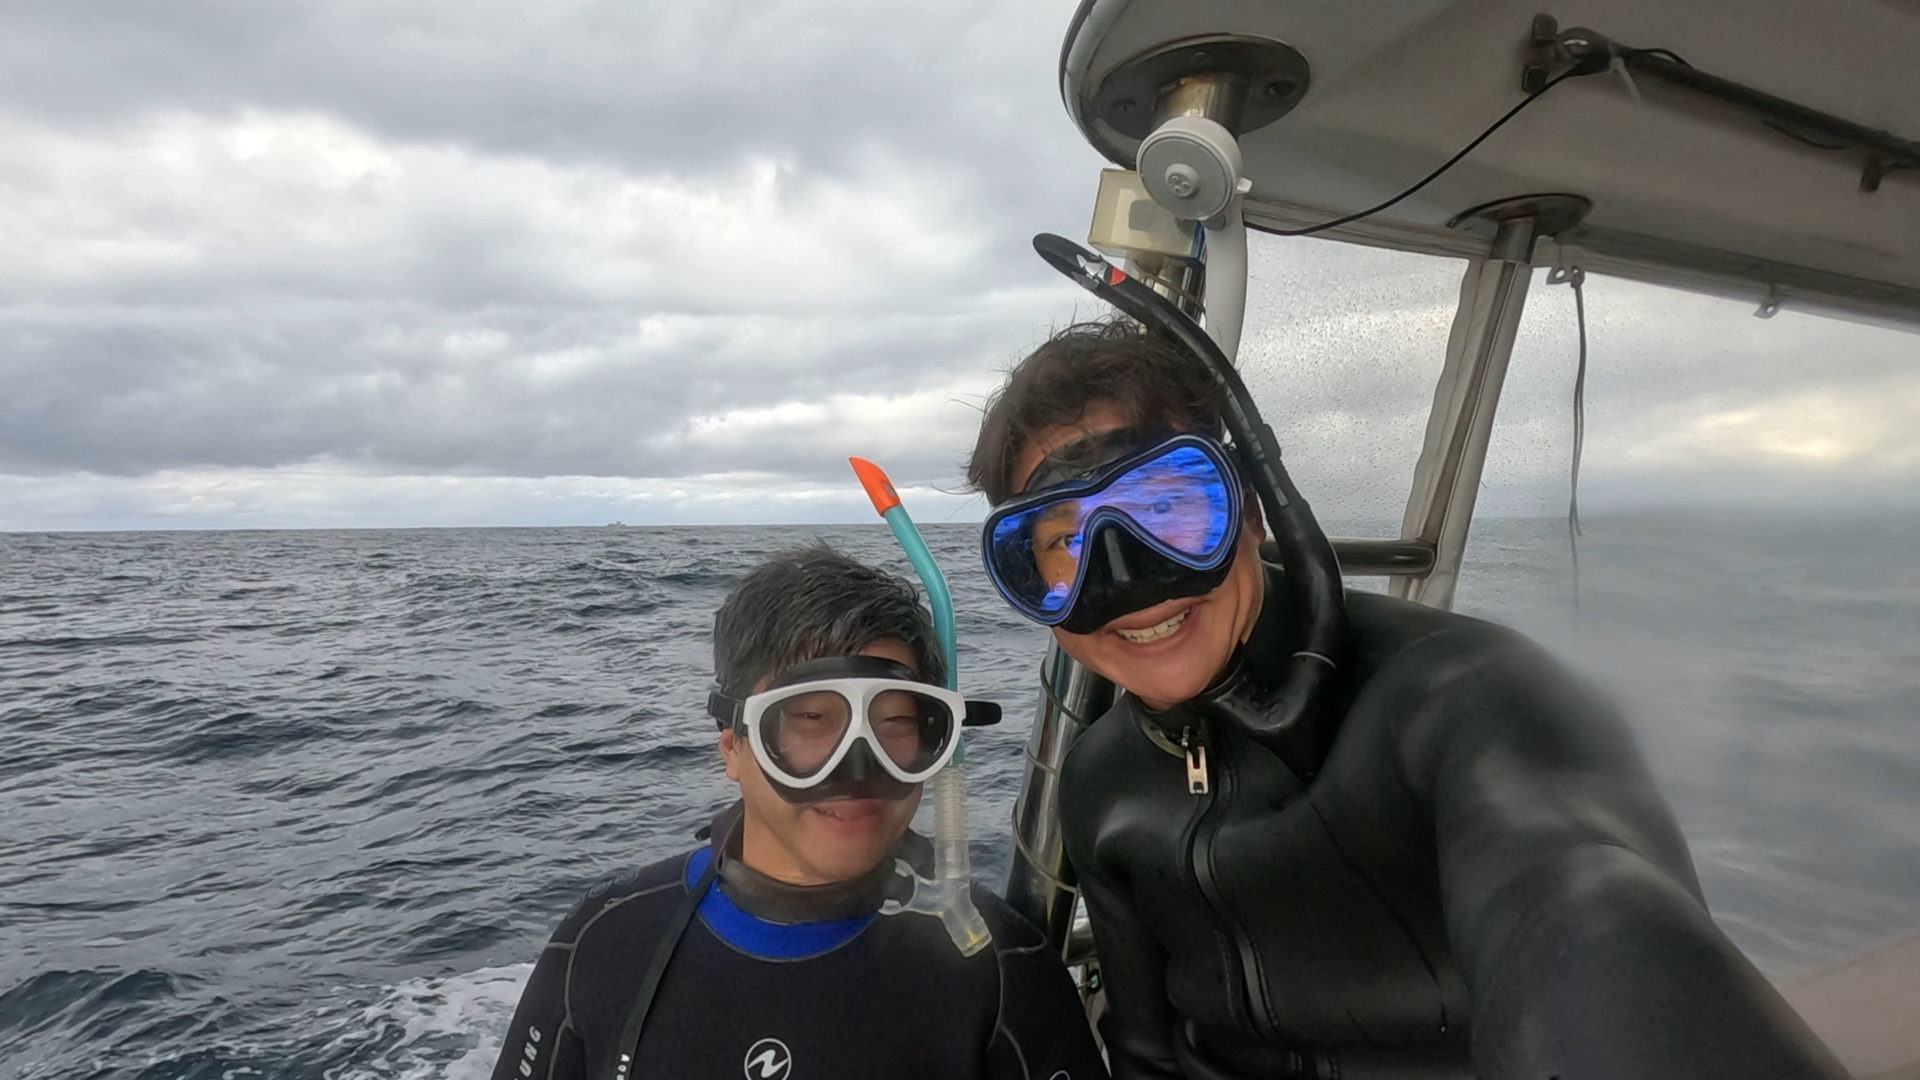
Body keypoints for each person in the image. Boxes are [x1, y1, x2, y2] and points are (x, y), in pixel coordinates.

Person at [967, 297, 1848, 1079]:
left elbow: (1590, 918)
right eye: (1063, 543)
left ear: (1253, 508)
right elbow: (1148, 1055)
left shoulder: (1471, 700)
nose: (1129, 578)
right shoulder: (1098, 779)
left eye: (1166, 507)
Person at [489, 547, 1107, 1080]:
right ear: (733, 746)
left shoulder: (1003, 969)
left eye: (896, 721)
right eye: (810, 719)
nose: (857, 769)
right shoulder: (607, 939)